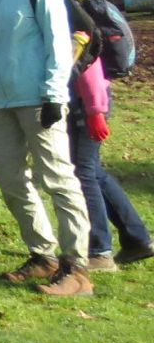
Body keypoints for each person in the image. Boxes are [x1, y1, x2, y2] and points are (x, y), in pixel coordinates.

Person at [0, 0, 92, 296]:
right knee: (11, 182)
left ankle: (77, 268)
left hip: (39, 101)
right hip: (2, 104)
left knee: (58, 180)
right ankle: (42, 255)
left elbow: (59, 47)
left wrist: (53, 96)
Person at [69, 56, 154, 270]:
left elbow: (89, 64)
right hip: (86, 102)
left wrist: (95, 110)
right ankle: (137, 240)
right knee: (92, 171)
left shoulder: (78, 31)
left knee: (84, 173)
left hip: (87, 104)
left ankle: (99, 251)